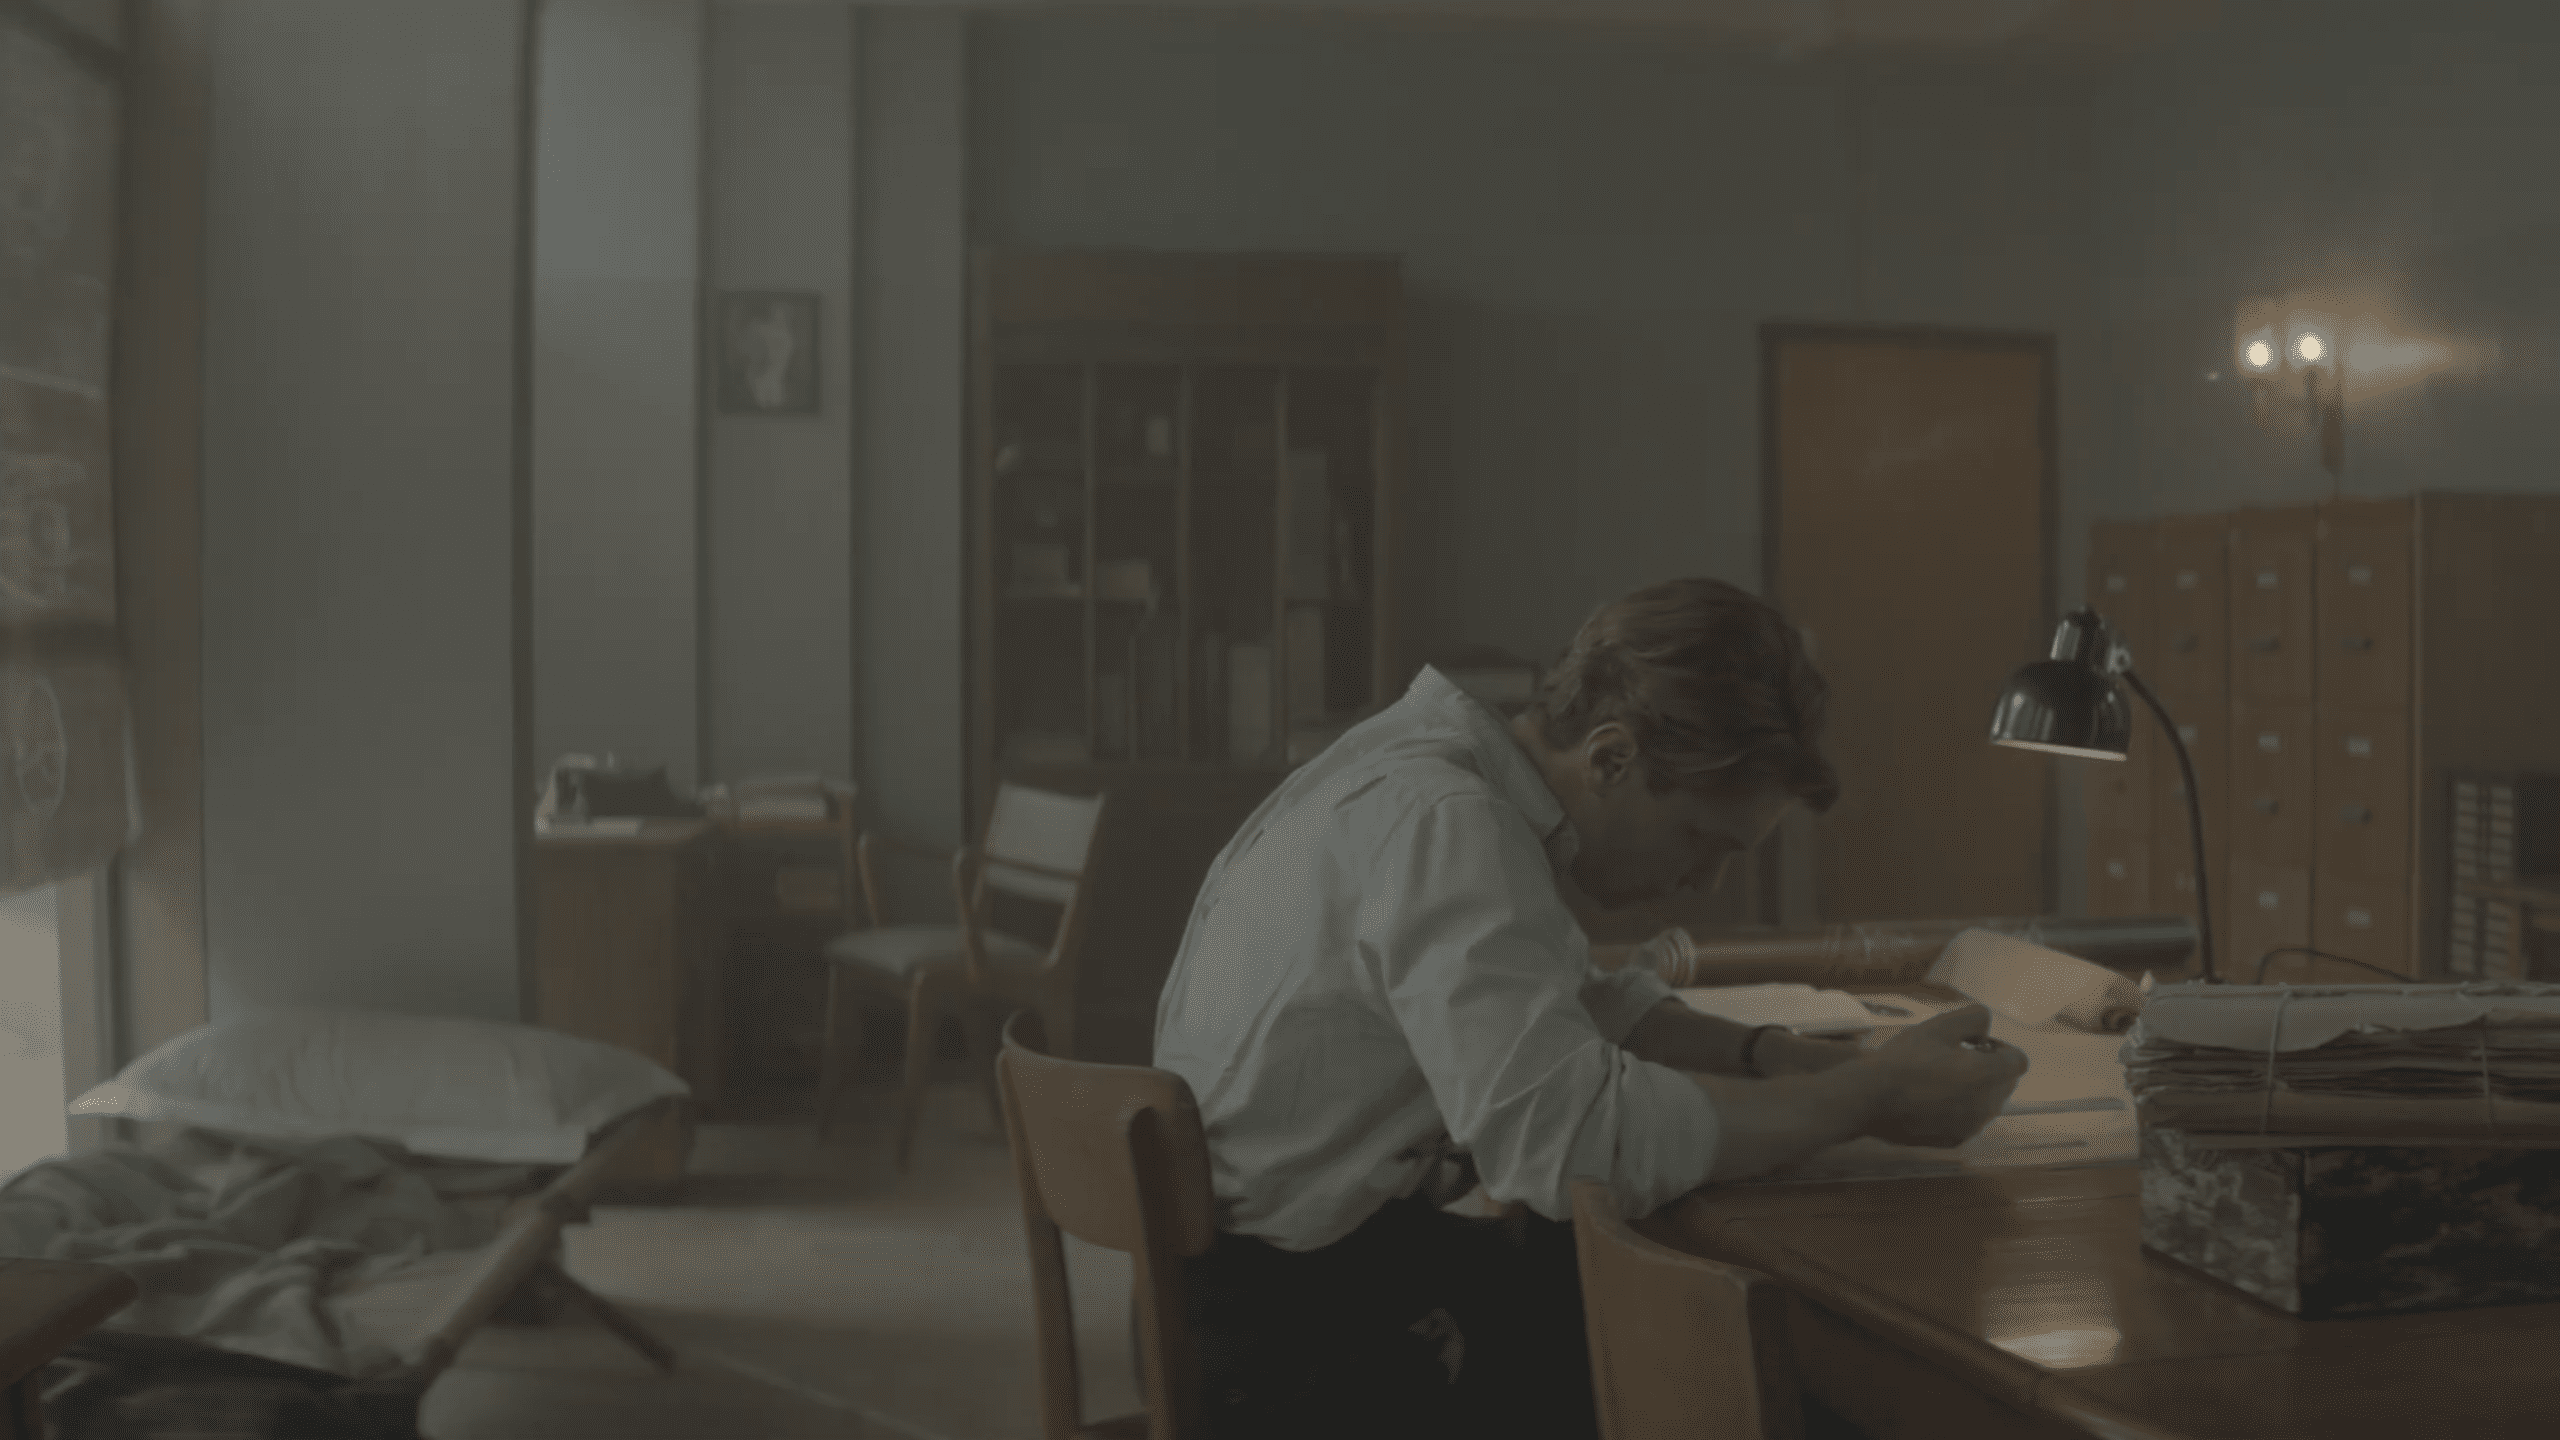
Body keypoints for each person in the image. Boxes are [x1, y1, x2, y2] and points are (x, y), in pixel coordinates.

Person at [1152, 577, 2029, 1439]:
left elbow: (1573, 997)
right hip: (1287, 1343)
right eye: (1701, 839)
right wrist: (1868, 1102)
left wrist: (1786, 1059)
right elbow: (1564, 1139)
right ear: (1612, 758)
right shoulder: (1448, 822)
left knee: (1597, 1294)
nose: (1704, 881)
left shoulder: (1430, 769)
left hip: (1278, 1272)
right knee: (1723, 1364)